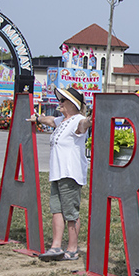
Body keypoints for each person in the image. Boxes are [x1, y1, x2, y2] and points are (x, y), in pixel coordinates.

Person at [29, 87, 91, 262]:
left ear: (73, 104)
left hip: (70, 174)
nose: (60, 103)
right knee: (56, 210)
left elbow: (82, 126)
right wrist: (37, 118)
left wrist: (90, 121)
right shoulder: (63, 120)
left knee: (71, 213)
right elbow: (49, 120)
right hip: (57, 173)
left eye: (63, 100)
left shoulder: (77, 120)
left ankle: (72, 249)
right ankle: (55, 246)